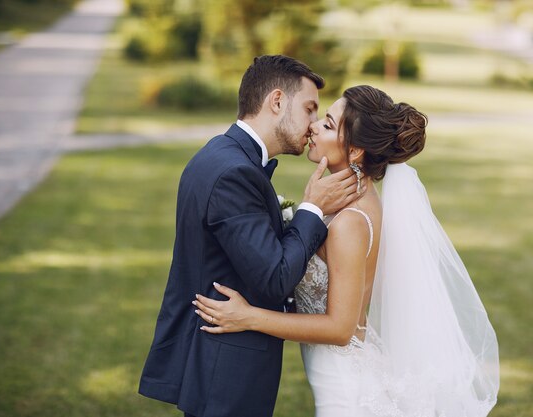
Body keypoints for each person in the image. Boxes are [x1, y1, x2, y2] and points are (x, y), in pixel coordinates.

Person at [194, 85, 500, 417]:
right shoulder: (344, 206)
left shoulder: (350, 222)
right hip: (337, 379)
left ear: (354, 151)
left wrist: (249, 318)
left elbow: (340, 328)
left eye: (326, 124)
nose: (312, 126)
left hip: (345, 392)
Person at [138, 55, 363, 417]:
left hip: (217, 363)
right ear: (276, 101)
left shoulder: (220, 154)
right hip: (225, 371)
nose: (311, 125)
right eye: (309, 109)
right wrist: (312, 209)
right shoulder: (235, 173)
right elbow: (274, 278)